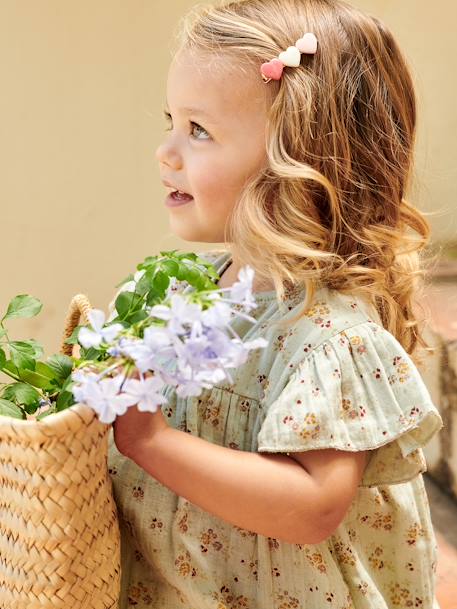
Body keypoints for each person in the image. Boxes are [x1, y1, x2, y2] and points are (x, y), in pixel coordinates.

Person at [107, 0, 444, 607]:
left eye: (199, 130)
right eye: (172, 120)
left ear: (296, 165)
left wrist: (149, 440)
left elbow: (313, 506)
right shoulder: (193, 294)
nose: (166, 151)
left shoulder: (329, 335)